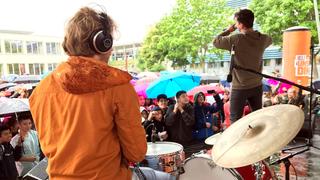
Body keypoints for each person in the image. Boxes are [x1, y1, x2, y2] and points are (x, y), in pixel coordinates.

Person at [29, 7, 147, 180]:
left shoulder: (40, 91)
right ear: (102, 42)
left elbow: (49, 149)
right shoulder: (117, 86)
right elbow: (136, 153)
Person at [213, 9, 272, 123]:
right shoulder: (263, 39)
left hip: (240, 87)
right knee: (257, 117)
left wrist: (229, 30)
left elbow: (216, 42)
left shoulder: (235, 39)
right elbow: (270, 39)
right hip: (256, 85)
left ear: (240, 24)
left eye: (236, 23)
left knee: (235, 120)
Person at [10, 112, 40, 177]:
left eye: (30, 123)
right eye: (25, 124)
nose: (28, 126)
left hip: (37, 166)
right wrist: (28, 159)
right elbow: (14, 157)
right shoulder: (14, 140)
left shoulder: (34, 133)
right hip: (23, 170)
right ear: (19, 124)